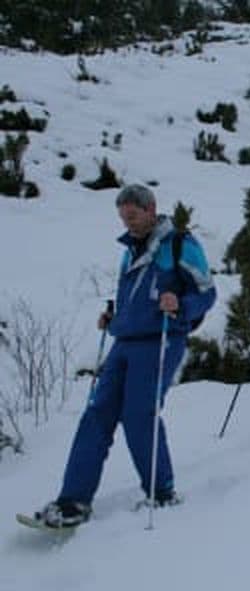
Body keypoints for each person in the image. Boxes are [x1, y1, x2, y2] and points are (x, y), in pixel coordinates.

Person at [36, 184, 216, 528]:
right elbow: (135, 296)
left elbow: (207, 293)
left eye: (132, 216)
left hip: (161, 339)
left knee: (139, 414)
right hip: (125, 341)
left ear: (150, 209)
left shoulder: (180, 244)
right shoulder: (129, 250)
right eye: (123, 217)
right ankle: (73, 499)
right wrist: (115, 318)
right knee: (96, 414)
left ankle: (161, 491)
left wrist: (180, 304)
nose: (128, 223)